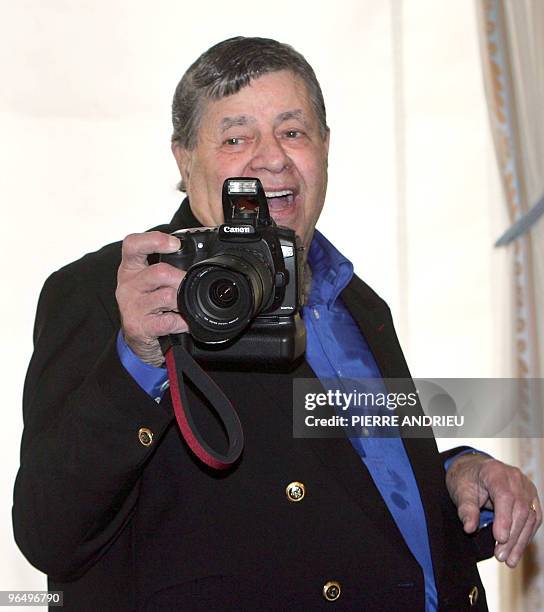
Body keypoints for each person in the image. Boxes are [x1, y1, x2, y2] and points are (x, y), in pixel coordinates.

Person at [13, 36, 541, 611]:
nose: (272, 158)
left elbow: (358, 481)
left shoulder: (356, 300)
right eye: (236, 137)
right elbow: (51, 534)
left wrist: (459, 471)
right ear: (184, 159)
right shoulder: (112, 294)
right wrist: (137, 358)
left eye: (293, 132)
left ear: (326, 149)